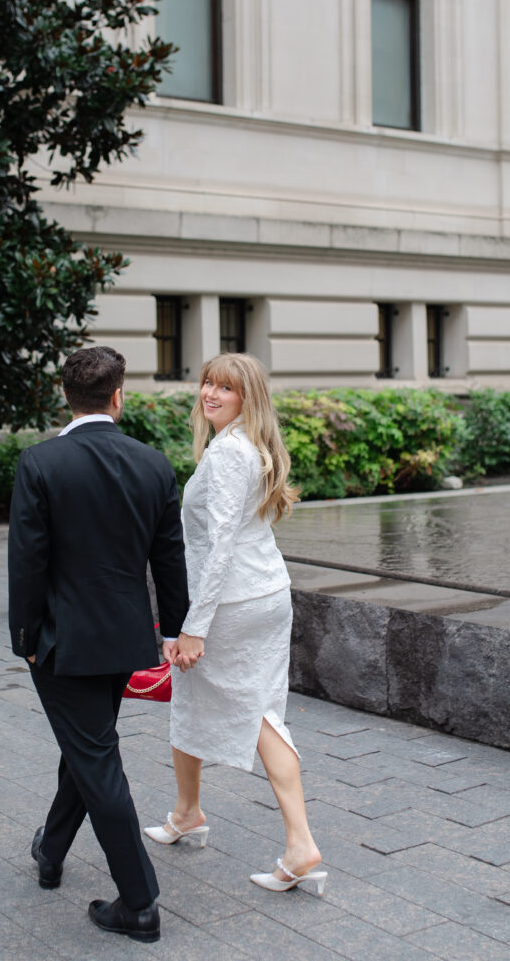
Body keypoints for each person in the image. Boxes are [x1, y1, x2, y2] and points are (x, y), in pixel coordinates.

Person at [8, 346, 197, 943]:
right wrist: (173, 631)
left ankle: (139, 904)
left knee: (94, 755)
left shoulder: (40, 462)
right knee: (87, 745)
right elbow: (170, 559)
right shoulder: (153, 463)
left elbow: (26, 563)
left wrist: (25, 640)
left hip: (62, 645)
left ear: (66, 395)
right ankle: (51, 848)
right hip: (124, 641)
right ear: (119, 396)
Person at [144, 352, 326, 895]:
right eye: (206, 383)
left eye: (225, 388)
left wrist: (193, 625)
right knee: (196, 693)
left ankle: (300, 844)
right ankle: (187, 811)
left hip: (232, 603)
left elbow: (219, 543)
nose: (210, 394)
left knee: (256, 713)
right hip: (261, 592)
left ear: (248, 398)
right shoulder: (247, 446)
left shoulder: (229, 454)